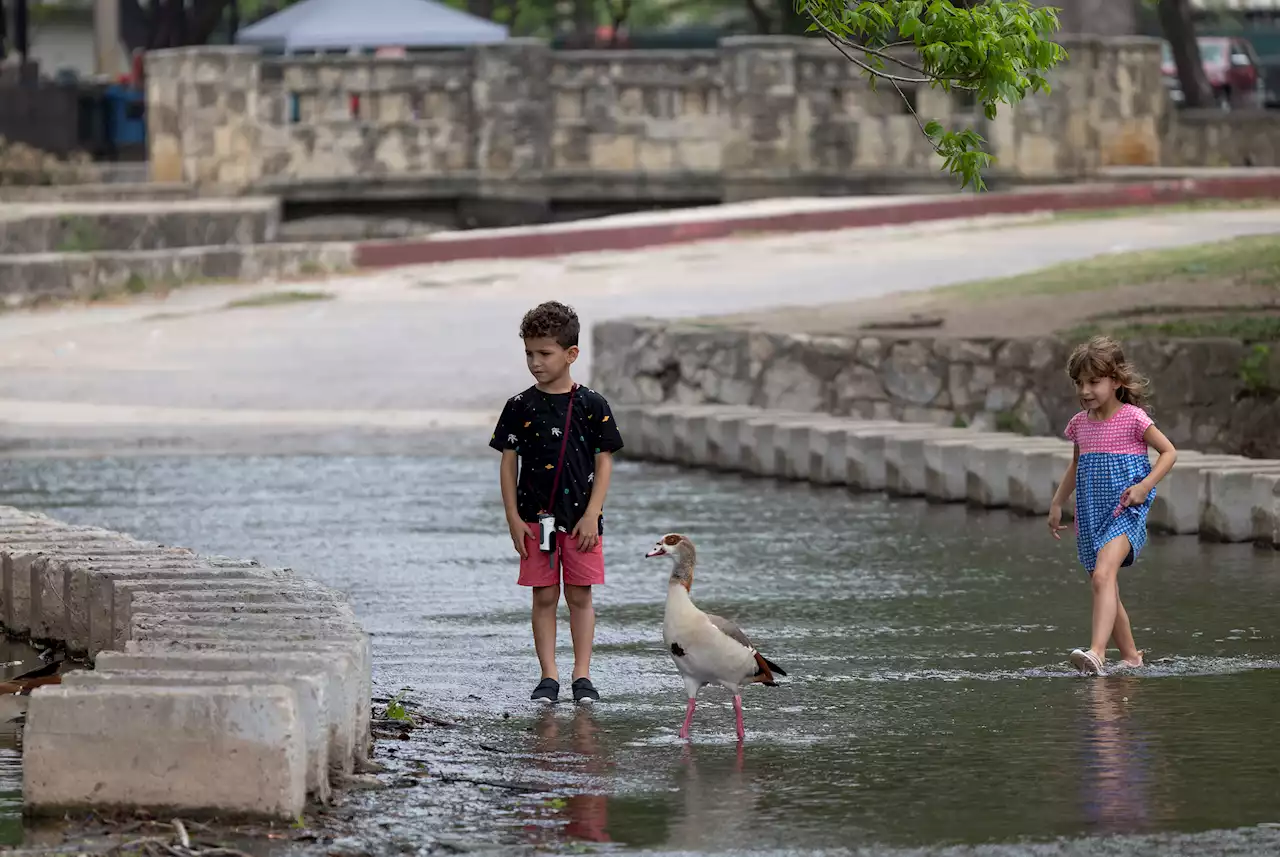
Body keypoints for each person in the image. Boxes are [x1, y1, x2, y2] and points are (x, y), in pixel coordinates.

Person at [490, 301, 624, 703]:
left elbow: (604, 463)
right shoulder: (518, 406)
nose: (535, 362)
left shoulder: (592, 405)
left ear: (571, 355)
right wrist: (513, 518)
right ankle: (548, 675)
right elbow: (508, 463)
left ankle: (582, 675)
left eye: (544, 353)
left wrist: (592, 513)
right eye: (529, 353)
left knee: (580, 596)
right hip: (536, 520)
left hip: (582, 522)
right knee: (544, 596)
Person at [1048, 336, 1177, 676]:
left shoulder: (1134, 418)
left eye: (1094, 381)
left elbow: (1169, 453)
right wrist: (1058, 502)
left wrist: (1144, 486)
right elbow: (1076, 466)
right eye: (1079, 383)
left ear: (1116, 381)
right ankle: (1132, 657)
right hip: (1091, 516)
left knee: (1104, 575)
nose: (1085, 390)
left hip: (1126, 512)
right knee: (1105, 585)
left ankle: (1097, 653)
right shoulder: (1080, 424)